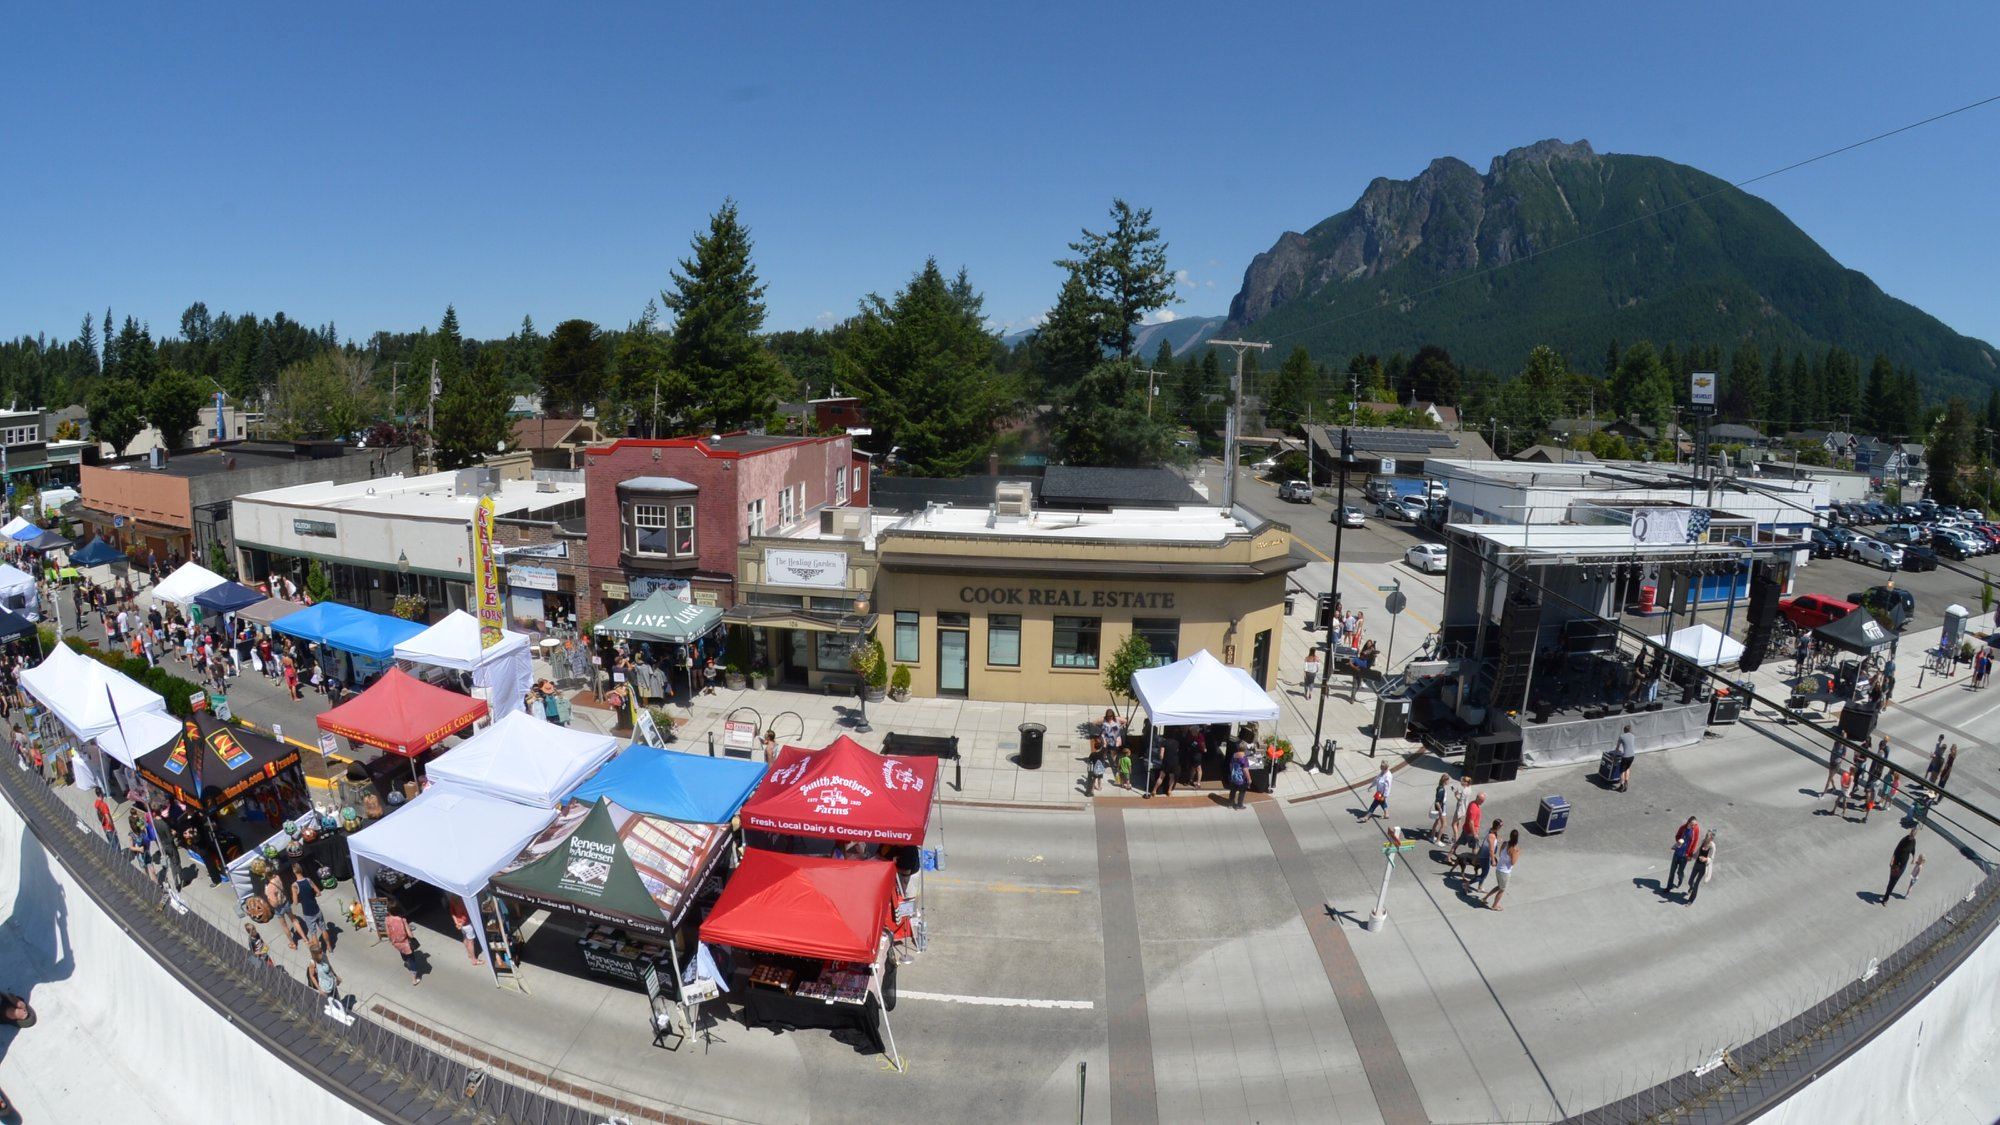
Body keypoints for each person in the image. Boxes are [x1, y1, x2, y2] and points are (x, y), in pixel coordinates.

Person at [384, 900, 423, 985]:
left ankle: (405, 961)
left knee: (403, 953)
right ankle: (414, 979)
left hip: (396, 943)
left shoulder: (387, 920)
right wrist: (411, 932)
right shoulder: (402, 920)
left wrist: (392, 940)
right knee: (412, 960)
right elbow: (410, 935)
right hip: (406, 944)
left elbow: (387, 933)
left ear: (389, 911)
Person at [1480, 830, 1519, 910]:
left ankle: (1485, 898)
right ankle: (1494, 905)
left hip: (1499, 868)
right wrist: (1518, 853)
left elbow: (1500, 853)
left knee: (1499, 887)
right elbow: (1513, 862)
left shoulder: (1505, 843)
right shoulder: (1514, 849)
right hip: (1505, 872)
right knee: (1502, 890)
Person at [266, 868, 303, 950]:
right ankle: (305, 938)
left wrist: (268, 899)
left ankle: (293, 943)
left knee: (284, 925)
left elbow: (274, 904)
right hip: (285, 902)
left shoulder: (269, 887)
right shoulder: (278, 877)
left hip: (279, 908)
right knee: (294, 920)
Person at [291, 862, 326, 944]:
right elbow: (318, 893)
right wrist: (312, 896)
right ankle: (329, 947)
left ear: (294, 872)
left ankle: (319, 954)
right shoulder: (308, 880)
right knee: (323, 929)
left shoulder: (294, 886)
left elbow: (295, 902)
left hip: (308, 913)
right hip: (316, 909)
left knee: (313, 934)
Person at [1884, 826, 1918, 904]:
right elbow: (1896, 850)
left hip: (1903, 866)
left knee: (1894, 881)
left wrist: (1913, 857)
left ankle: (1886, 897)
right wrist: (1892, 859)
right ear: (1910, 832)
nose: (1912, 836)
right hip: (1896, 863)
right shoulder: (1904, 840)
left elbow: (1913, 850)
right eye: (1912, 834)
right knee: (1891, 881)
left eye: (1914, 835)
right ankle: (1886, 897)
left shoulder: (1913, 841)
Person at [1668, 817, 1702, 891]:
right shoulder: (1683, 827)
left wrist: (1690, 855)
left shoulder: (1696, 829)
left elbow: (1695, 842)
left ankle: (1680, 880)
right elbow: (1677, 836)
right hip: (1677, 853)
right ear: (1688, 822)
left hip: (1685, 856)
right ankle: (1669, 886)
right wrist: (1678, 840)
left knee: (1680, 872)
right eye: (1692, 824)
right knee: (1672, 871)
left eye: (1695, 824)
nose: (1693, 826)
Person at [306, 942, 343, 1007]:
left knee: (338, 1002)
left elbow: (329, 966)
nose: (321, 953)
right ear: (315, 954)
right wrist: (319, 989)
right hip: (325, 988)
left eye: (321, 951)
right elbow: (312, 976)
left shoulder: (324, 956)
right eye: (319, 953)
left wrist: (336, 976)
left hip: (332, 983)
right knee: (330, 1004)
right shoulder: (313, 963)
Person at [1685, 830, 1717, 904]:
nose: (1706, 838)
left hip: (1703, 867)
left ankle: (1691, 900)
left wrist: (1705, 859)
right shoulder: (1703, 841)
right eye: (1706, 836)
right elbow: (1698, 852)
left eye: (1707, 837)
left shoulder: (1712, 846)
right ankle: (1691, 888)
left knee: (1696, 883)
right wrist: (1691, 856)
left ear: (1711, 838)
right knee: (1690, 881)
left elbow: (1711, 858)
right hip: (1697, 864)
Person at [448, 896, 482, 964]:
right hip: (467, 924)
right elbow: (465, 915)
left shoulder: (452, 899)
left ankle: (469, 954)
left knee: (465, 938)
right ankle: (474, 960)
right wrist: (462, 923)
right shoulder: (463, 901)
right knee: (471, 942)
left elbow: (452, 912)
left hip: (460, 924)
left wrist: (456, 922)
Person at [1225, 742, 1251, 809]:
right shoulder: (1244, 758)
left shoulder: (1234, 755)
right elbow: (1245, 770)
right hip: (1242, 779)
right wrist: (1249, 779)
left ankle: (1230, 804)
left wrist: (1232, 773)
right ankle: (1239, 805)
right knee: (1242, 792)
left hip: (1234, 777)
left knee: (1233, 791)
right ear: (1245, 749)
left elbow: (1230, 765)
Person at [1612, 724, 1637, 791]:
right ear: (1630, 730)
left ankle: (1621, 786)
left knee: (1622, 771)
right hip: (1632, 756)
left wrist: (1615, 755)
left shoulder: (1621, 736)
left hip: (1625, 756)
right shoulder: (1633, 736)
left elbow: (1617, 747)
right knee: (1627, 768)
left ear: (1624, 730)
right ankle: (1626, 782)